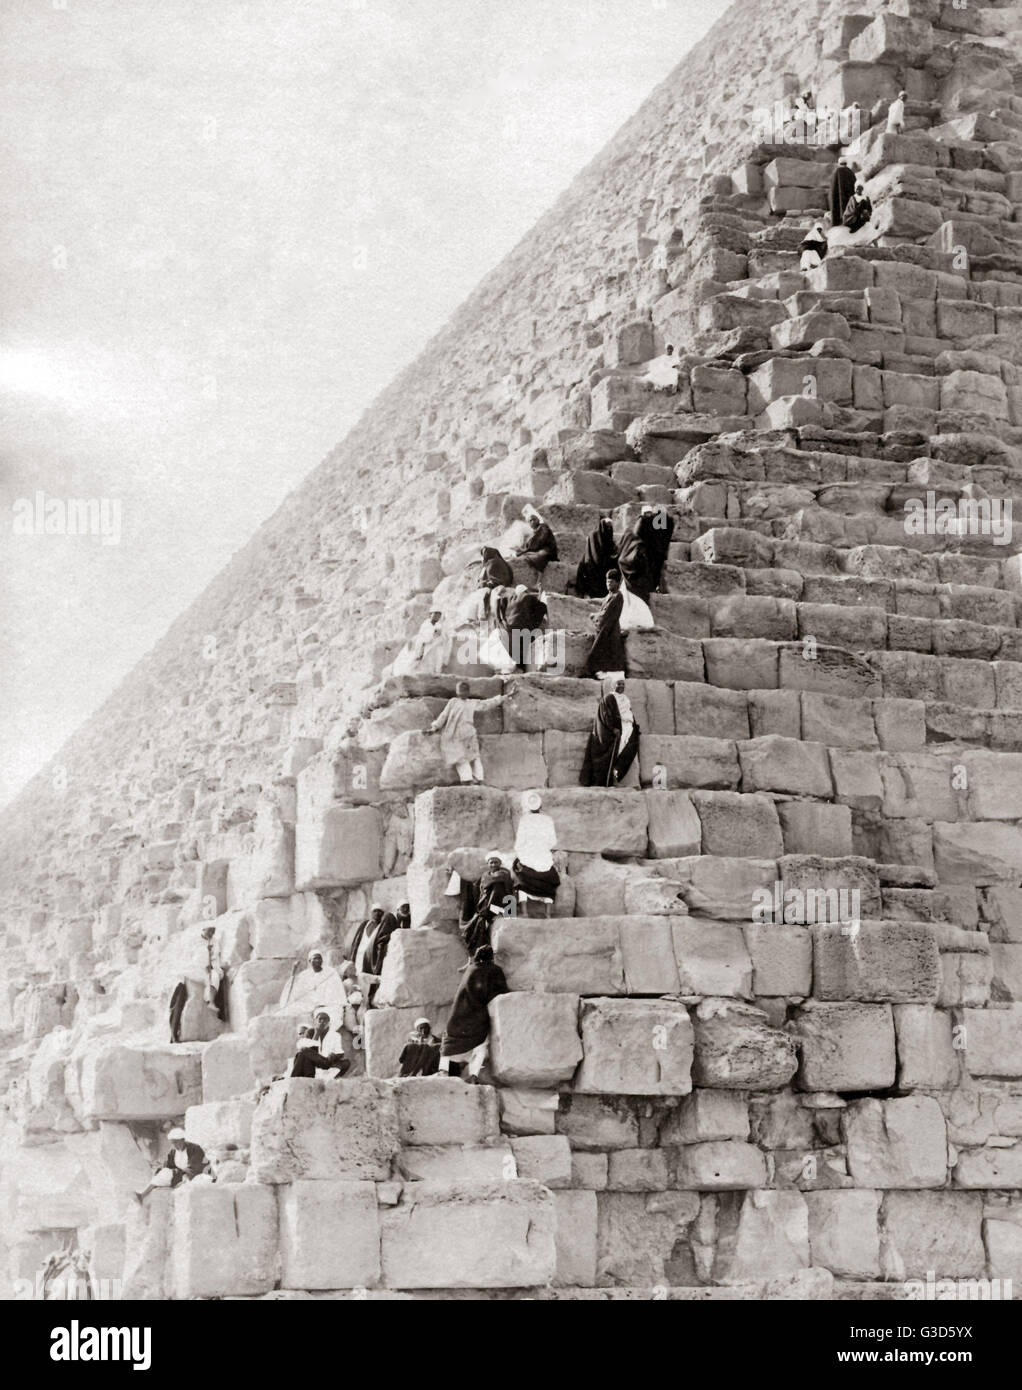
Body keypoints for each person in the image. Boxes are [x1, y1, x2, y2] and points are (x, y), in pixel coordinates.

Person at [439, 946, 508, 1080]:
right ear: (491, 957)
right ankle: (473, 1075)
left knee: (452, 1045)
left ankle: (447, 1073)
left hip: (459, 1015)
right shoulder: (493, 970)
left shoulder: (470, 969)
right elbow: (498, 993)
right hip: (477, 1015)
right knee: (481, 1045)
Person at [430, 679, 516, 783]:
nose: (462, 692)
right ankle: (471, 779)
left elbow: (487, 704)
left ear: (468, 692)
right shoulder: (457, 702)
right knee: (465, 758)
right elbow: (444, 715)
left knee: (470, 757)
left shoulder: (466, 703)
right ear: (457, 691)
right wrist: (435, 727)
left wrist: (505, 696)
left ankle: (475, 779)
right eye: (461, 690)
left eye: (464, 690)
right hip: (460, 734)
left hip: (465, 734)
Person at [580, 678, 641, 786]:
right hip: (612, 729)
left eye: (623, 684)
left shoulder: (625, 699)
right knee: (614, 746)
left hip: (626, 726)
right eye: (619, 684)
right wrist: (613, 728)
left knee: (632, 743)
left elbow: (628, 713)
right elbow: (605, 715)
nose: (621, 686)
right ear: (613, 686)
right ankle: (607, 778)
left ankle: (617, 771)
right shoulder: (609, 698)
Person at [460, 852, 515, 954]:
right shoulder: (485, 875)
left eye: (496, 862)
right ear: (488, 864)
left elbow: (501, 889)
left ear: (500, 863)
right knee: (475, 928)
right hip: (486, 906)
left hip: (502, 906)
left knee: (497, 888)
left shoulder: (504, 874)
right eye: (491, 862)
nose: (493, 864)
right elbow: (480, 890)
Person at [512, 790, 560, 903]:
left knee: (517, 873)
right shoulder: (548, 819)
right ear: (541, 805)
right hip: (544, 859)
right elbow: (552, 842)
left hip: (527, 858)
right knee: (549, 876)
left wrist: (520, 852)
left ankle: (523, 911)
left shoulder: (524, 820)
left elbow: (519, 843)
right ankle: (547, 911)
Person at [135, 1128, 207, 1201]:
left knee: (187, 1185)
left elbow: (196, 1167)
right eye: (172, 1142)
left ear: (183, 1140)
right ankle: (142, 1195)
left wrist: (185, 1178)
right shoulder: (174, 1150)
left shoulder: (195, 1149)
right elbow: (169, 1164)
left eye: (176, 1142)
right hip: (181, 1174)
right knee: (163, 1173)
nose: (174, 1145)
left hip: (196, 1174)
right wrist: (160, 1169)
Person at [584, 569, 627, 679]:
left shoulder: (618, 596)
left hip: (610, 630)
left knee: (599, 652)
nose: (608, 584)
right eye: (607, 581)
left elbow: (606, 614)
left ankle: (594, 673)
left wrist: (595, 616)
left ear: (618, 583)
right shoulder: (609, 596)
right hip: (604, 628)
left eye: (611, 582)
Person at [279, 947, 347, 1015]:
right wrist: (293, 972)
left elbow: (337, 991)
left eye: (319, 958)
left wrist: (324, 1002)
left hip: (327, 1003)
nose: (317, 960)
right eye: (314, 958)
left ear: (322, 960)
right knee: (288, 1010)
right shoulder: (305, 974)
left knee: (332, 1012)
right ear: (309, 961)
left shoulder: (331, 972)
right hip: (310, 1004)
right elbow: (296, 990)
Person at [499, 585, 548, 670]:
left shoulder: (510, 600)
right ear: (526, 591)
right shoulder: (528, 597)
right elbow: (542, 606)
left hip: (510, 631)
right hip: (523, 632)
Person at [393, 610, 447, 677]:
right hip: (423, 644)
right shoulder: (426, 624)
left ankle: (435, 672)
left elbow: (441, 635)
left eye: (439, 615)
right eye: (435, 614)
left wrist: (439, 637)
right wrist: (423, 647)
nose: (437, 616)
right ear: (430, 614)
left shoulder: (439, 625)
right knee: (416, 658)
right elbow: (424, 638)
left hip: (434, 645)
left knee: (438, 653)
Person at [575, 517, 618, 598]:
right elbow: (595, 554)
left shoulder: (608, 533)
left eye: (610, 526)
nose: (609, 528)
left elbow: (610, 549)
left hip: (604, 566)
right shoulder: (594, 535)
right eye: (607, 526)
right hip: (593, 566)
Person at [512, 507, 558, 574]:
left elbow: (540, 541)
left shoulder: (543, 527)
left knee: (536, 556)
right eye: (530, 521)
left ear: (538, 520)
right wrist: (522, 550)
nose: (532, 521)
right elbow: (531, 546)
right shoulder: (533, 533)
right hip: (538, 551)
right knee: (519, 555)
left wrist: (524, 550)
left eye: (534, 519)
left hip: (548, 552)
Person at [311, 1007, 350, 1078]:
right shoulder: (311, 1033)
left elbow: (340, 1052)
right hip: (316, 1062)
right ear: (315, 1021)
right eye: (320, 1019)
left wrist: (334, 1056)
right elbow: (309, 1050)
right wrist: (317, 1033)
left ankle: (332, 1077)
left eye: (325, 1020)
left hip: (328, 1062)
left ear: (328, 1023)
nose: (322, 1022)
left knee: (346, 1063)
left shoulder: (336, 1035)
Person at [829, 156, 856, 227]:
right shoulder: (851, 172)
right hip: (848, 198)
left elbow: (833, 189)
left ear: (839, 163)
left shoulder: (836, 172)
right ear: (846, 163)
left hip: (838, 199)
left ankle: (838, 222)